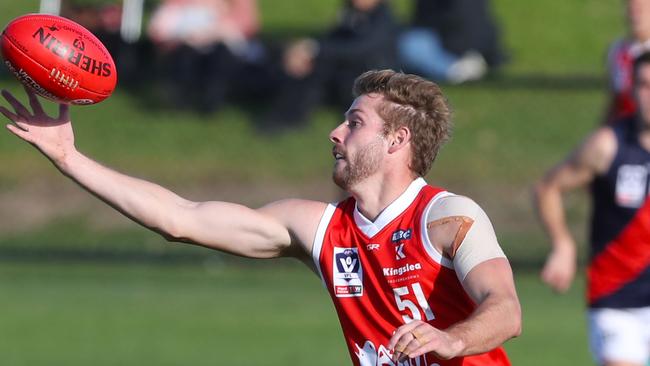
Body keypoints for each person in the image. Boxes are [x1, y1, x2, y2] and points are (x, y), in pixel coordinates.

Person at [1, 69, 521, 365]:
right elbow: (180, 218)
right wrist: (69, 158)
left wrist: (452, 339)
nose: (335, 133)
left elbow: (506, 310)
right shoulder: (320, 229)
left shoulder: (446, 216)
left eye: (354, 122)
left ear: (397, 140)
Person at [535, 53, 650, 366]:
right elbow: (549, 188)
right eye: (642, 84)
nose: (648, 94)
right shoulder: (608, 145)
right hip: (618, 302)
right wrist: (562, 244)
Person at [260, 0, 398, 131]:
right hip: (343, 71)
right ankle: (287, 113)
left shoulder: (383, 19)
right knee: (310, 66)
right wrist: (308, 50)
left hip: (366, 79)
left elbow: (359, 50)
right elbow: (334, 37)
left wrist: (315, 49)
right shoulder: (351, 12)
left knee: (319, 65)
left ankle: (289, 115)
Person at [397, 0, 506, 84]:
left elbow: (464, 20)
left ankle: (455, 70)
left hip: (456, 43)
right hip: (473, 42)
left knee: (409, 45)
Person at [603, 0, 650, 125]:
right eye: (631, 8)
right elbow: (615, 99)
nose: (635, 15)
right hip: (627, 130)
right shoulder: (617, 50)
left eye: (641, 9)